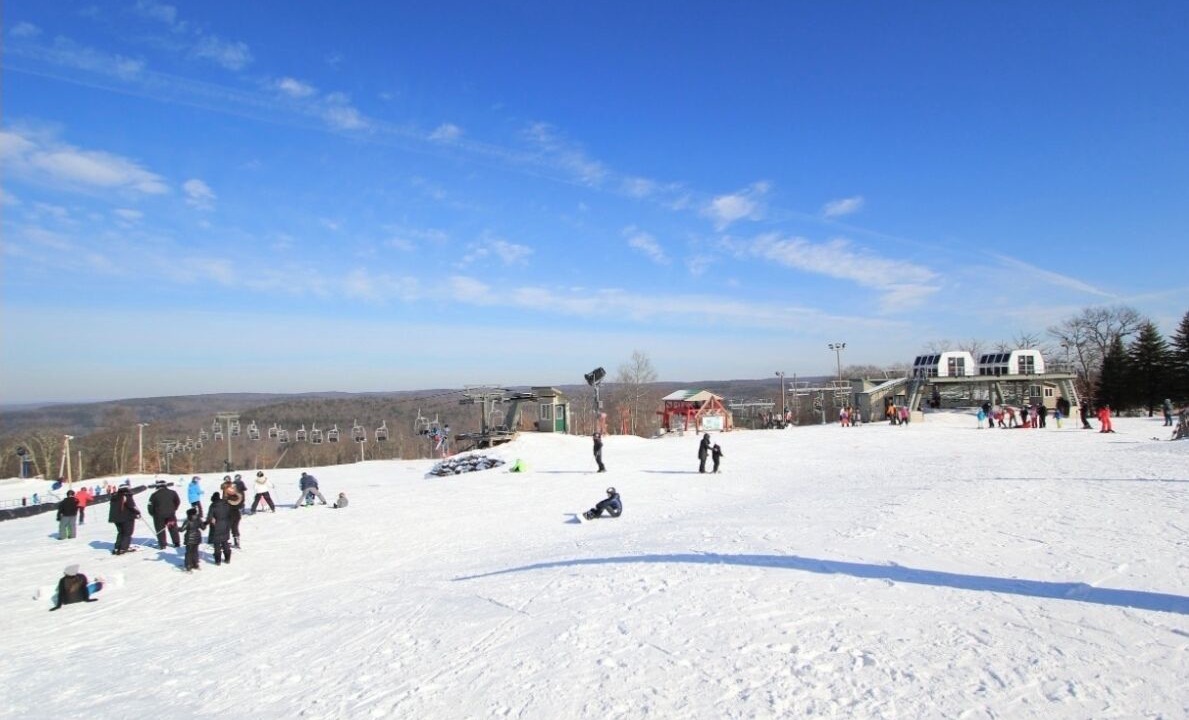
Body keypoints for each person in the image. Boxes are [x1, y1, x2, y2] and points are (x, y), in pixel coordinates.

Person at [147, 479, 181, 550]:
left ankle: (162, 544)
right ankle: (176, 542)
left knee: (160, 529)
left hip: (158, 515)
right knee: (173, 528)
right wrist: (174, 509)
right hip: (170, 514)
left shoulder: (154, 495)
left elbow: (150, 505)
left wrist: (152, 513)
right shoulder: (173, 492)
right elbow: (177, 501)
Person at [107, 485, 141, 555]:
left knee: (121, 532)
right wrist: (138, 512)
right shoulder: (126, 496)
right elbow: (132, 506)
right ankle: (123, 548)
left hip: (116, 518)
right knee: (127, 533)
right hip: (126, 517)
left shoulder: (114, 496)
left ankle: (117, 547)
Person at [204, 492, 232, 565]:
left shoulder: (213, 506)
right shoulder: (226, 504)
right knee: (225, 541)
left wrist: (205, 523)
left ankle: (218, 561)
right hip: (226, 525)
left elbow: (209, 518)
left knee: (217, 544)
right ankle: (227, 558)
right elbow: (230, 514)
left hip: (216, 526)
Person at [221, 476, 245, 548]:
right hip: (237, 514)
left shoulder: (227, 497)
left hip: (229, 514)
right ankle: (236, 541)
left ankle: (225, 542)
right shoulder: (237, 496)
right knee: (235, 527)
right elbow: (241, 501)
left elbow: (224, 502)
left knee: (227, 528)